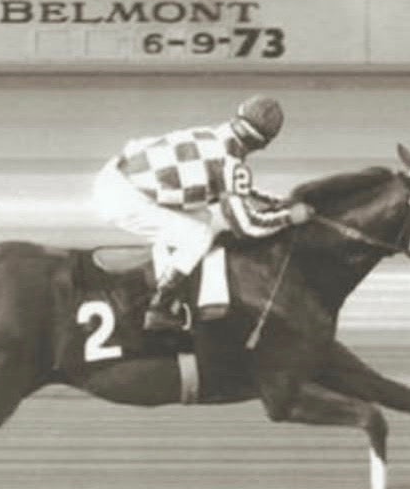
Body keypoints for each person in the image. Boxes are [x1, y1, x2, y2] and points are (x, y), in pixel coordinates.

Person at [92, 96, 314, 333]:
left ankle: (170, 273)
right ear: (264, 143)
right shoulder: (231, 163)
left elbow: (238, 187)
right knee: (199, 235)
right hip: (122, 197)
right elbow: (247, 226)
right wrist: (289, 217)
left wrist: (279, 201)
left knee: (202, 217)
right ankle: (160, 307)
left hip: (117, 175)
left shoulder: (214, 135)